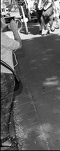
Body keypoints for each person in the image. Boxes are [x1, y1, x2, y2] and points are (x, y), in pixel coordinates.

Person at [1, 17, 22, 150]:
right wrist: (15, 30)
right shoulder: (2, 38)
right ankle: (3, 139)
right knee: (4, 108)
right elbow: (18, 44)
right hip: (3, 76)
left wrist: (6, 26)